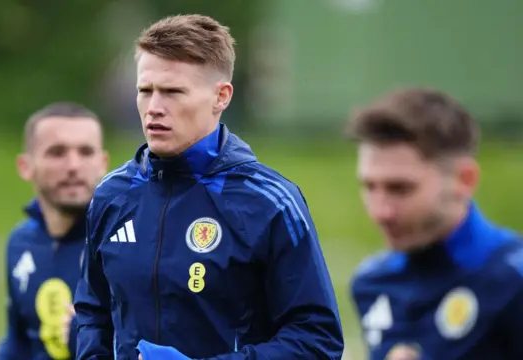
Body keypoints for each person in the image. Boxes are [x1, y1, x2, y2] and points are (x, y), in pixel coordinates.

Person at [73, 13, 344, 360]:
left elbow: (317, 340)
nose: (154, 108)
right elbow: (93, 311)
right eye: (145, 91)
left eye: (173, 92)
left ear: (221, 97)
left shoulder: (269, 202)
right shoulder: (113, 194)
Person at [346, 88, 523, 360]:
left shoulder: (512, 283)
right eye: (370, 187)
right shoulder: (371, 284)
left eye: (400, 189)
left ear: (464, 180)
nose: (381, 212)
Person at [0, 102, 109, 360]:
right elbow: (19, 340)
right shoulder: (21, 242)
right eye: (57, 152)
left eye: (86, 152)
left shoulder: (120, 245)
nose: (73, 165)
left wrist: (87, 337)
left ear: (103, 163)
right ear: (25, 166)